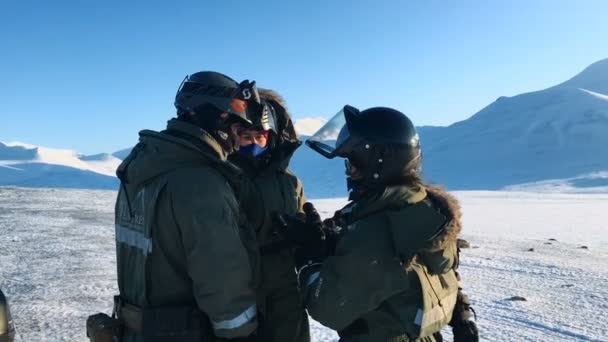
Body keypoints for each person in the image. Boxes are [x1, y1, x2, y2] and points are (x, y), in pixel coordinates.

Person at [283, 105, 479, 341]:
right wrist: (462, 315)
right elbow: (444, 270)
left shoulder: (376, 227)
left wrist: (309, 258)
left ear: (378, 161)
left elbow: (327, 307)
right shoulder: (423, 206)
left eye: (353, 162)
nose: (349, 171)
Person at [112, 71, 263, 342]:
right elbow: (221, 276)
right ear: (217, 118)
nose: (237, 140)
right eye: (237, 129)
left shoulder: (140, 170)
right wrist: (240, 334)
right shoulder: (200, 183)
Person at [228, 89, 310, 342]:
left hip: (285, 290)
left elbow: (303, 220)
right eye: (245, 136)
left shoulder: (288, 182)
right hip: (238, 287)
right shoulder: (222, 177)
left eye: (259, 137)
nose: (253, 142)